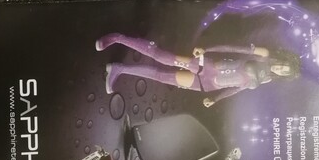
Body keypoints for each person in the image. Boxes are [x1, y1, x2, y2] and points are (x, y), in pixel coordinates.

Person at [95, 33, 300, 107]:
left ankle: (119, 69)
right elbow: (233, 48)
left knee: (161, 76)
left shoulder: (267, 79)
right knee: (162, 57)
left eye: (284, 71)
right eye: (284, 65)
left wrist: (216, 99)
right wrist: (207, 49)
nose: (280, 69)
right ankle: (118, 38)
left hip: (208, 84)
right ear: (283, 59)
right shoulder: (264, 54)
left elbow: (238, 88)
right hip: (207, 66)